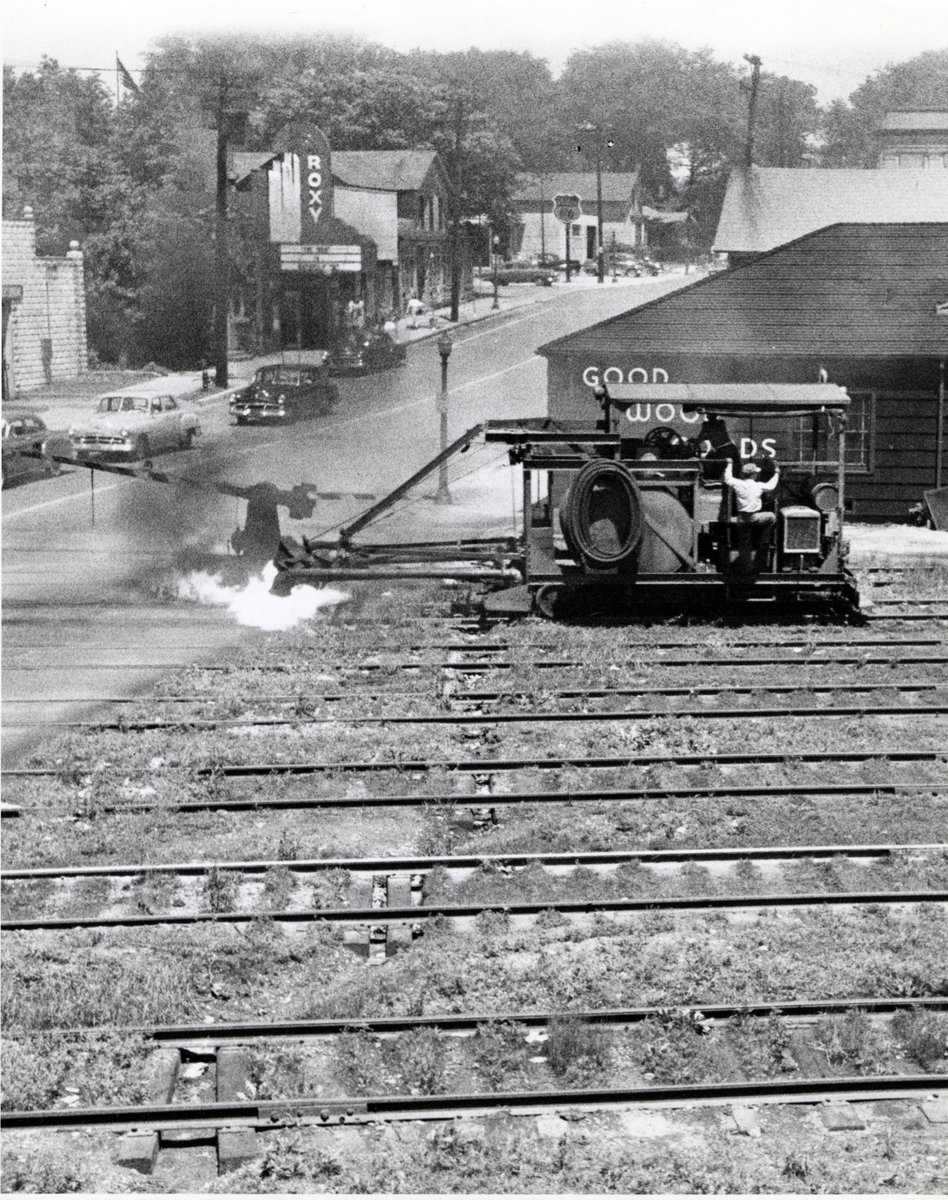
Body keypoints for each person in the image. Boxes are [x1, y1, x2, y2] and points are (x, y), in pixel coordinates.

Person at [723, 459, 780, 573]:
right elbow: (771, 485)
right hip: (754, 517)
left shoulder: (738, 483)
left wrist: (729, 464)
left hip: (741, 519)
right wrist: (777, 472)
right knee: (772, 517)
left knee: (744, 544)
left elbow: (727, 478)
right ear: (753, 475)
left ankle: (746, 567)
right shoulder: (758, 486)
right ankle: (764, 541)